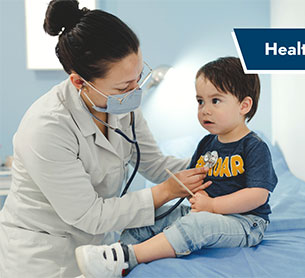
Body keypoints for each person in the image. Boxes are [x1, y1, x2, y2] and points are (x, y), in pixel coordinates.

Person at [0, 1, 211, 277]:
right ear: (79, 82)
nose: (135, 92)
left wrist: (214, 163)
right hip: (44, 257)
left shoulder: (120, 104)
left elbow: (156, 165)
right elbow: (89, 214)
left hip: (98, 246)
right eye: (124, 86)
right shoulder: (46, 127)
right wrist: (166, 192)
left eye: (138, 77)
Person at [75, 57, 278, 277]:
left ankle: (127, 258)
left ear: (244, 105)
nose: (205, 110)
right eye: (200, 101)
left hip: (245, 221)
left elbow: (258, 195)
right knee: (153, 216)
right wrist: (193, 191)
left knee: (199, 225)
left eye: (215, 101)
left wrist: (212, 205)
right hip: (204, 211)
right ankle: (111, 260)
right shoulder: (206, 144)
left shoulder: (254, 147)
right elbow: (195, 179)